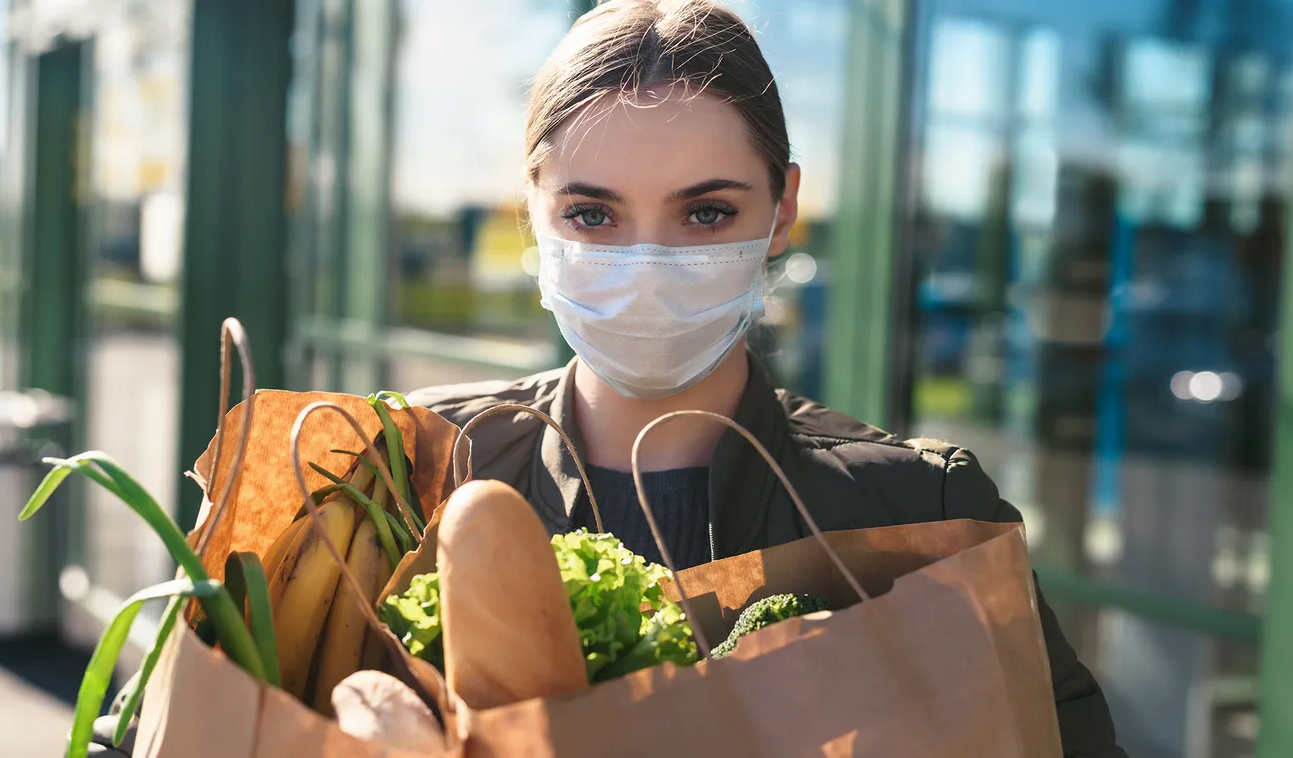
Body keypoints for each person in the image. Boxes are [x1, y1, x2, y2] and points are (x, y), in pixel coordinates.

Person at [404, 1, 1127, 756]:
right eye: (592, 215)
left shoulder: (916, 512)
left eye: (706, 213)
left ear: (782, 209)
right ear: (532, 207)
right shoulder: (406, 469)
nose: (647, 269)